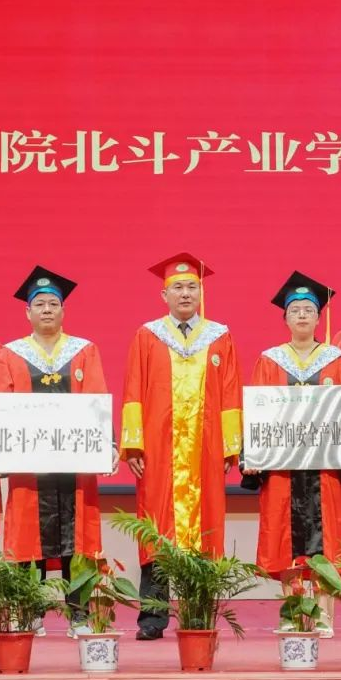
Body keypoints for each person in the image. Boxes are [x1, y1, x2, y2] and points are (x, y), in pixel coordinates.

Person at [0, 265, 112, 638]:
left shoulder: (84, 351)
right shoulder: (10, 354)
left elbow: (97, 399)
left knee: (79, 538)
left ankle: (79, 616)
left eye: (53, 304)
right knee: (28, 538)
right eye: (39, 304)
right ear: (27, 312)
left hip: (76, 466)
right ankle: (30, 613)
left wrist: (107, 445)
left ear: (63, 310)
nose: (47, 310)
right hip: (30, 469)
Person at [120, 252, 242, 640]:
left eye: (192, 287)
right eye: (178, 288)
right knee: (156, 526)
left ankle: (199, 614)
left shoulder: (219, 336)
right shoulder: (147, 335)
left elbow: (231, 391)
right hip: (159, 450)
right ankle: (153, 619)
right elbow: (133, 389)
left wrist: (230, 446)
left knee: (205, 523)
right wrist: (133, 446)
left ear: (201, 292)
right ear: (164, 295)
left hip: (205, 448)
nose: (185, 293)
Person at [244, 271, 341, 638]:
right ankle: (293, 612)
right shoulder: (269, 361)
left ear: (318, 318)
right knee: (285, 536)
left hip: (326, 469)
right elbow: (258, 414)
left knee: (330, 537)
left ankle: (325, 615)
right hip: (283, 468)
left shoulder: (336, 360)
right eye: (295, 310)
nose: (301, 315)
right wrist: (251, 455)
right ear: (285, 318)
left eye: (308, 310)